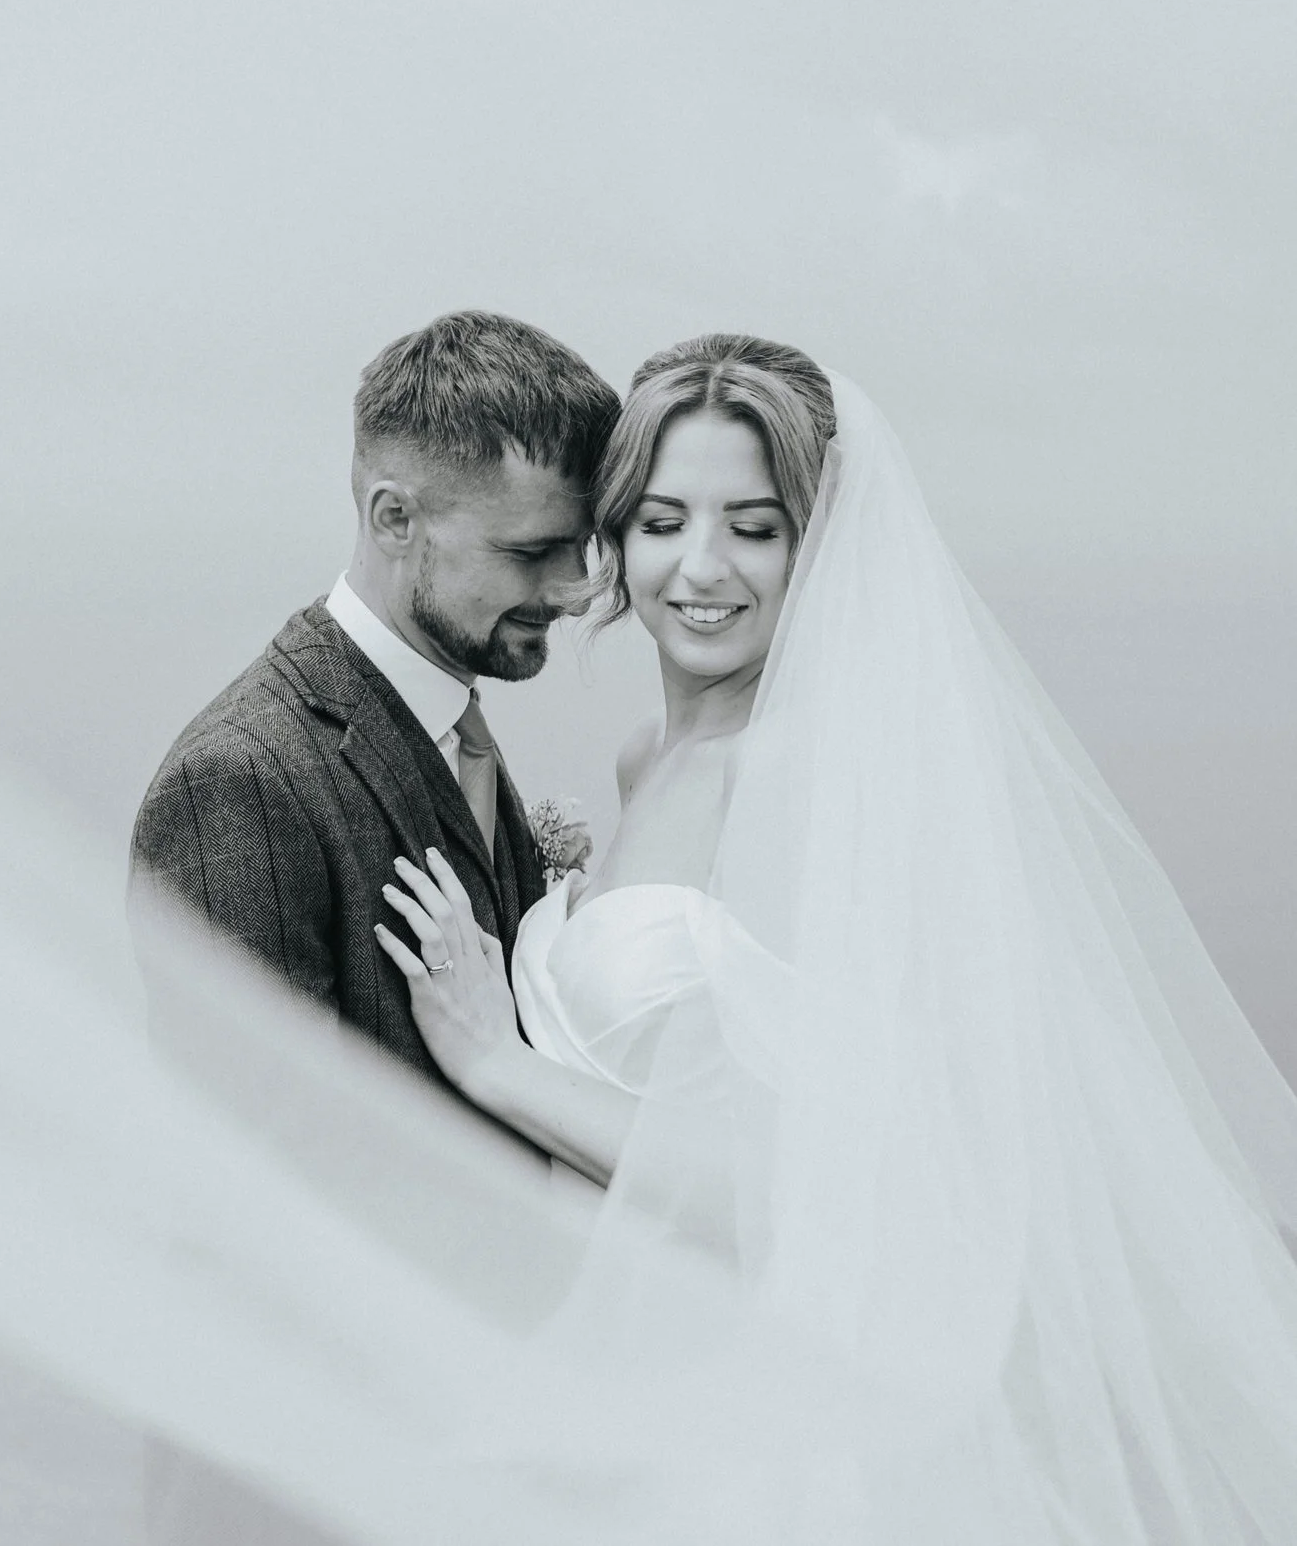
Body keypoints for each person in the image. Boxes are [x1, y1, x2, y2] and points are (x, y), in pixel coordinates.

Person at [377, 334, 1297, 1540]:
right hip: (631, 1390)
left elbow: (819, 1189)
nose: (700, 567)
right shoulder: (650, 760)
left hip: (759, 1429)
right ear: (610, 539)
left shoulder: (806, 781)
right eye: (661, 519)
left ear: (822, 547)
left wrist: (499, 1064)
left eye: (754, 526)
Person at [126, 310, 615, 1546]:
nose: (572, 590)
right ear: (396, 519)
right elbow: (264, 1214)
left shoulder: (448, 710)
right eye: (533, 552)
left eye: (581, 548)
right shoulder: (239, 781)